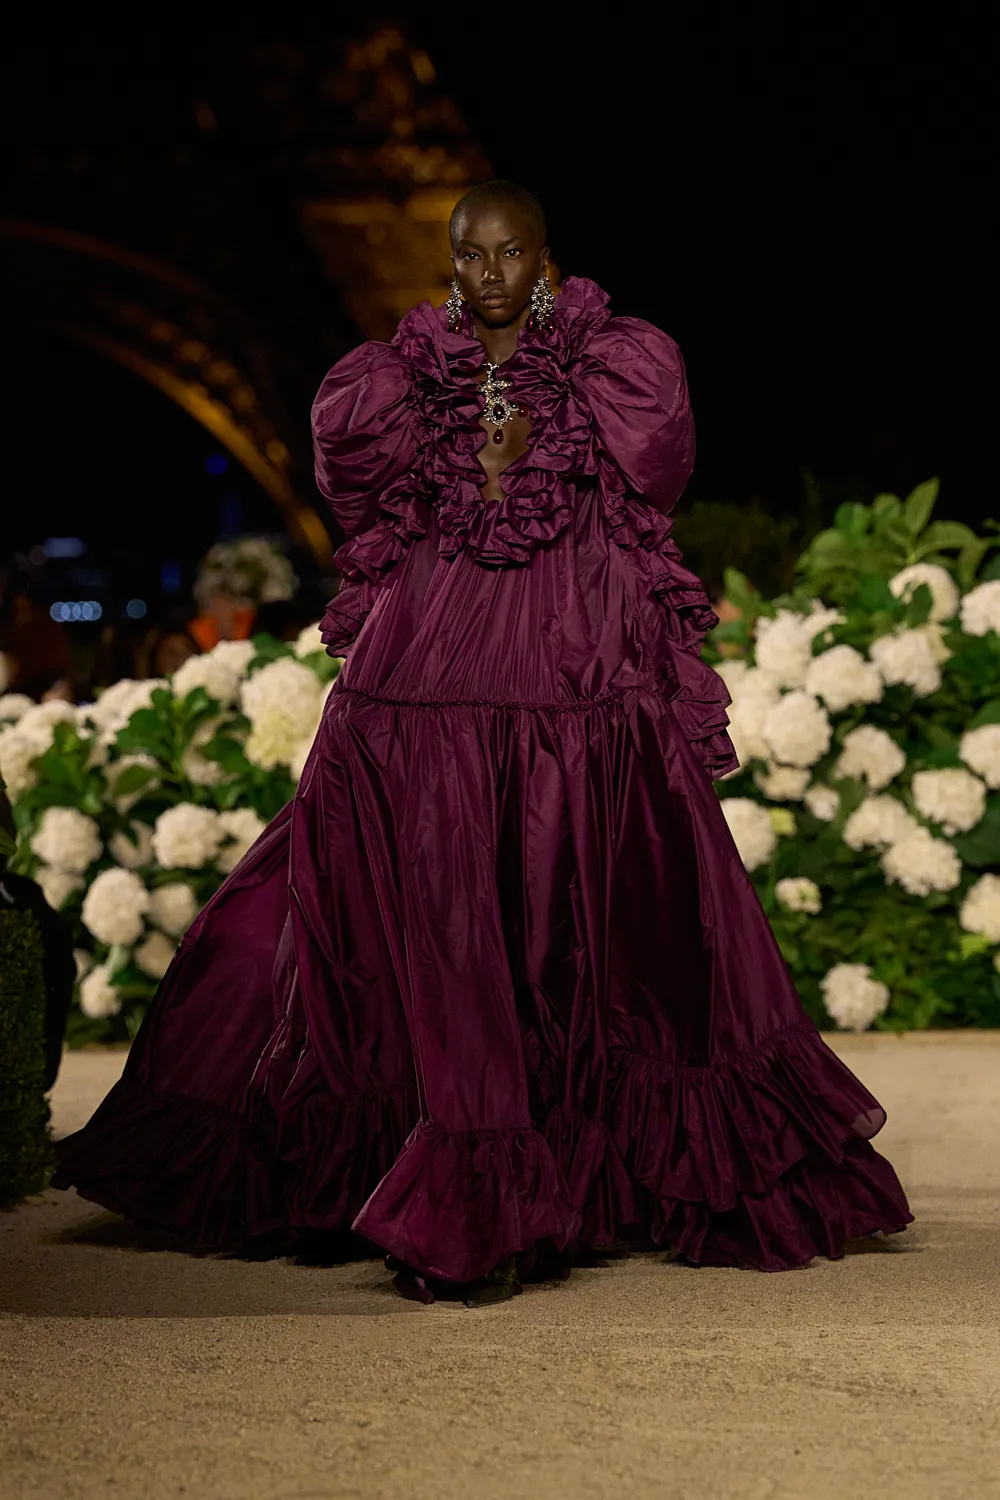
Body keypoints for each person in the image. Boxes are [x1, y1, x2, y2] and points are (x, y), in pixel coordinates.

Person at [52, 180, 911, 1303]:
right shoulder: (396, 379)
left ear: (544, 260)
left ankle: (570, 1164)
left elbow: (657, 471)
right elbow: (355, 488)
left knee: (573, 889)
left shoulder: (612, 363)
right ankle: (444, 1157)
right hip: (431, 663)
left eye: (512, 253)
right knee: (434, 889)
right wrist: (483, 464)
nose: (492, 272)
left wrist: (534, 454)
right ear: (451, 262)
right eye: (472, 253)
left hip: (569, 660)